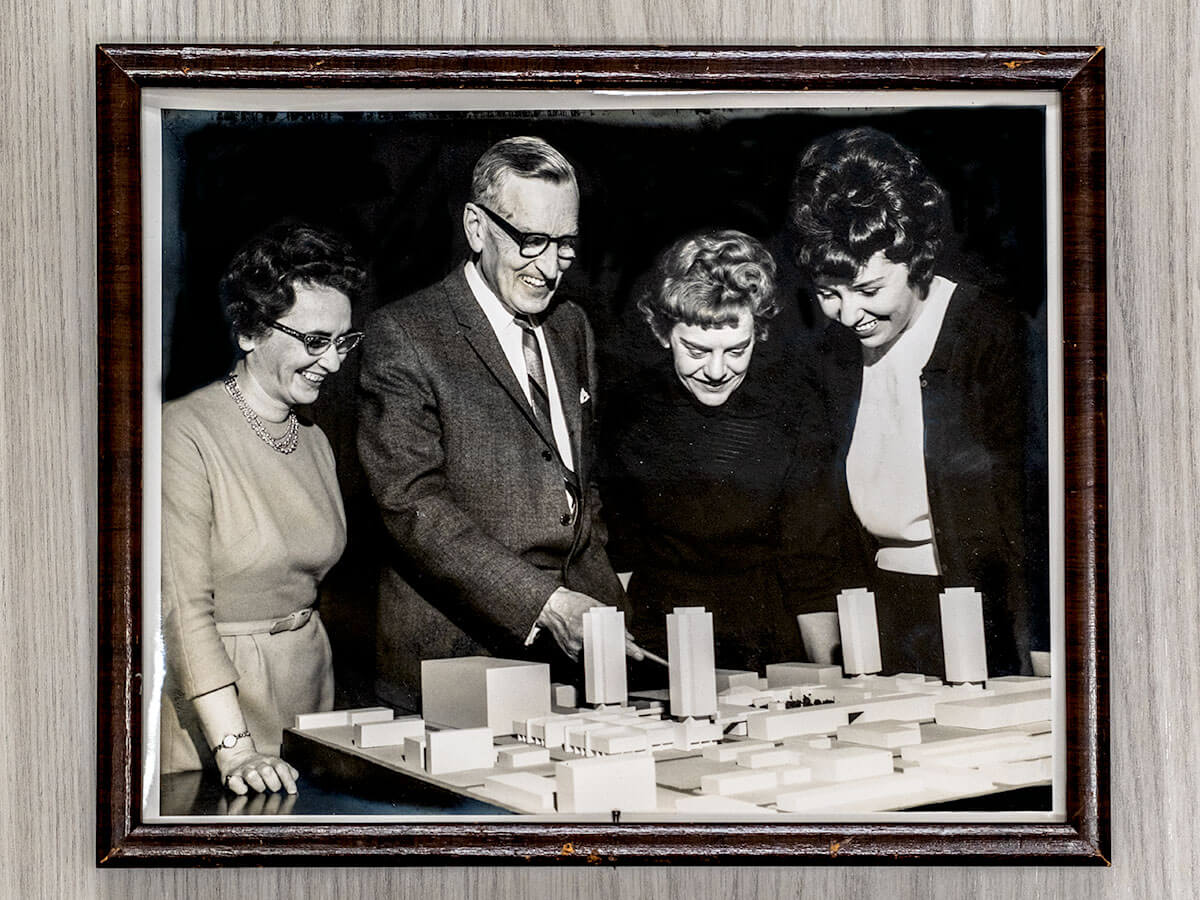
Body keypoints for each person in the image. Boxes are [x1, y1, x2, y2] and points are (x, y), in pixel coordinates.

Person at [358, 136, 639, 712]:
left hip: (580, 649)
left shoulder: (572, 326)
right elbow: (410, 506)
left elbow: (577, 484)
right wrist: (547, 604)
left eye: (565, 244)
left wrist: (604, 594)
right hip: (457, 658)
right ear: (477, 227)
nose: (549, 267)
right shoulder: (405, 335)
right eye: (531, 240)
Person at [789, 126, 1038, 678]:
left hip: (981, 616)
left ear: (918, 260)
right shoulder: (830, 357)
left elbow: (1033, 512)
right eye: (829, 293)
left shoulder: (991, 333)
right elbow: (817, 519)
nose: (848, 314)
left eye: (869, 290)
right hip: (878, 610)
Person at [160, 222, 366, 794]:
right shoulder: (183, 431)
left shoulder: (314, 439)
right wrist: (236, 749)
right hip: (216, 714)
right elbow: (182, 610)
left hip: (309, 693)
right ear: (250, 331)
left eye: (343, 341)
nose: (333, 362)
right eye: (315, 340)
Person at [601, 230, 838, 673]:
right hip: (658, 646)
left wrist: (834, 684)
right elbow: (620, 560)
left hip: (768, 642)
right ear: (663, 333)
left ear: (758, 332)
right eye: (696, 350)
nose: (716, 371)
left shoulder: (795, 407)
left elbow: (812, 566)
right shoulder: (627, 409)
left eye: (736, 350)